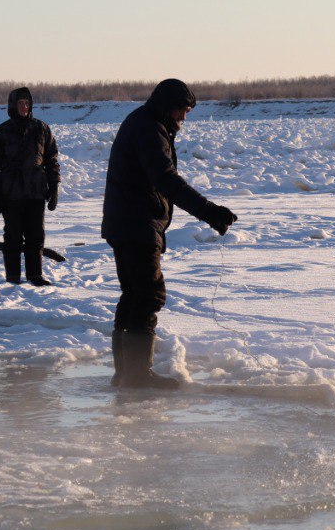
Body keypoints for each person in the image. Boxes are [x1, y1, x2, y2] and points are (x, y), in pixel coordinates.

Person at [101, 79, 237, 389]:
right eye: (182, 110)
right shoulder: (149, 128)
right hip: (136, 225)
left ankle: (125, 373)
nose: (184, 118)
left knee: (133, 296)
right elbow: (166, 180)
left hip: (126, 223)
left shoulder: (144, 121)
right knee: (148, 295)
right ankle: (135, 376)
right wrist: (210, 211)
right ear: (168, 106)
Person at [0, 87, 60, 285]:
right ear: (12, 105)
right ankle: (13, 277)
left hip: (36, 193)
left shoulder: (41, 129)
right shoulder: (2, 132)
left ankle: (35, 275)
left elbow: (51, 160)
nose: (24, 107)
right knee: (13, 237)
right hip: (11, 194)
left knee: (36, 236)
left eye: (27, 103)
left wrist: (54, 186)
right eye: (20, 103)